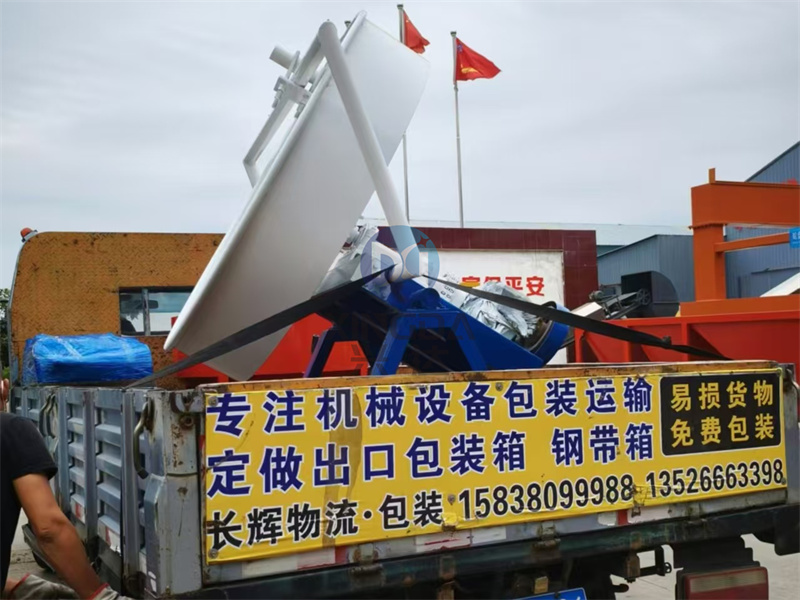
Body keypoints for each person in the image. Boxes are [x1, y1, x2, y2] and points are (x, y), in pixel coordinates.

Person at [1, 378, 128, 599]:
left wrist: (10, 588)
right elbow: (49, 530)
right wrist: (97, 595)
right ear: (4, 387)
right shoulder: (10, 430)